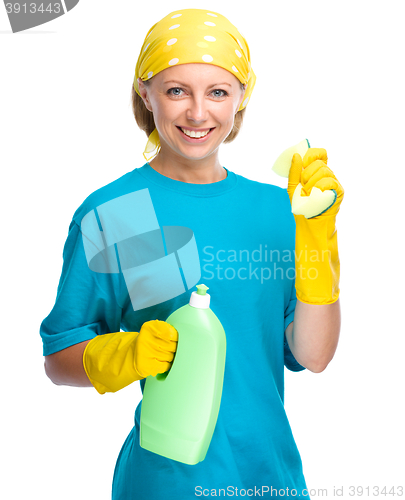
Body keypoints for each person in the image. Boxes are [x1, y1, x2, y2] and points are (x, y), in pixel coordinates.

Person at [40, 8, 344, 500]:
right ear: (146, 92)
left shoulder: (279, 210)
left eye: (218, 92)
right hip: (165, 482)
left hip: (270, 478)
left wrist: (319, 245)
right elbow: (59, 356)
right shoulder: (116, 213)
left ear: (242, 97)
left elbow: (313, 355)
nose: (198, 113)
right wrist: (123, 353)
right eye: (177, 90)